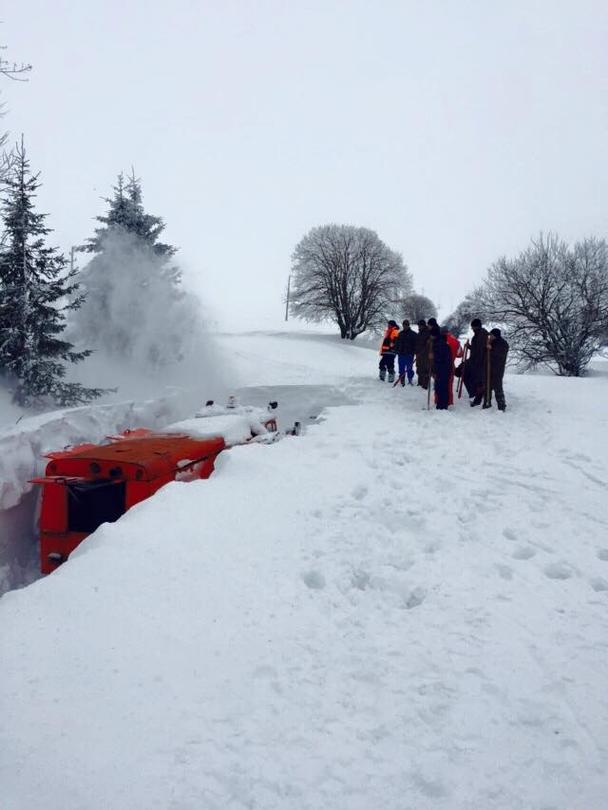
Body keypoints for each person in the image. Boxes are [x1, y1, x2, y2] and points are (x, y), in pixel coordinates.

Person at [464, 318, 489, 406]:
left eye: (472, 327)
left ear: (476, 326)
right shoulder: (479, 334)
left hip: (479, 362)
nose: (472, 329)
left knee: (478, 381)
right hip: (476, 361)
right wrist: (469, 346)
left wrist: (475, 363)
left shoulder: (481, 336)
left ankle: (477, 399)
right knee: (475, 380)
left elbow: (480, 351)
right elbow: (476, 349)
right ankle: (476, 397)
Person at [483, 328, 509, 411]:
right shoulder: (491, 342)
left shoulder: (503, 344)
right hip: (489, 369)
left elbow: (499, 355)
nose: (490, 337)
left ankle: (501, 406)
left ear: (495, 335)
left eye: (491, 335)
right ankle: (487, 403)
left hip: (498, 369)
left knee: (498, 387)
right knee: (487, 386)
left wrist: (491, 349)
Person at [430, 326, 452, 410]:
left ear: (434, 335)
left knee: (441, 388)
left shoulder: (440, 344)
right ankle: (441, 405)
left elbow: (442, 359)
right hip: (442, 369)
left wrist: (433, 357)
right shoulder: (438, 342)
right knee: (440, 388)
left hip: (443, 369)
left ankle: (442, 406)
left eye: (431, 335)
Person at [441, 326, 463, 406]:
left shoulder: (437, 340)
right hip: (450, 366)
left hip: (439, 366)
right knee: (449, 385)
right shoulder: (455, 341)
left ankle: (438, 401)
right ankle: (449, 402)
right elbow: (460, 354)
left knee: (439, 385)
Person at [394, 319, 417, 386]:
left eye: (406, 325)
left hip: (409, 354)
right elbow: (397, 343)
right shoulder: (400, 334)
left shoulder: (413, 334)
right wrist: (396, 350)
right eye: (404, 325)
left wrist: (414, 351)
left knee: (409, 368)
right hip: (401, 354)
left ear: (408, 325)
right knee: (401, 368)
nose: (405, 326)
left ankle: (410, 379)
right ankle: (402, 379)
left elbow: (416, 344)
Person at [415, 320, 430, 389]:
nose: (419, 327)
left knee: (425, 369)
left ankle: (425, 384)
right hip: (419, 354)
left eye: (420, 325)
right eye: (418, 325)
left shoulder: (428, 333)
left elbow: (429, 344)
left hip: (426, 355)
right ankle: (420, 382)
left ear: (423, 325)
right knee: (419, 368)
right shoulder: (419, 333)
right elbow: (417, 343)